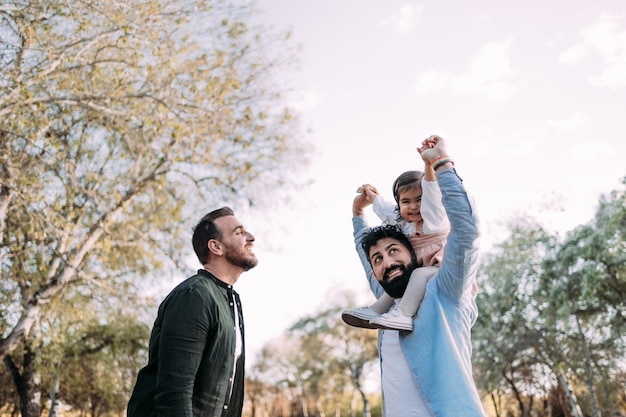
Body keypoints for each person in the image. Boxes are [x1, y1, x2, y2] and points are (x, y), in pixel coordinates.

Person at [352, 135, 487, 416]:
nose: (387, 262)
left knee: (421, 274)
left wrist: (440, 165)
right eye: (378, 259)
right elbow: (370, 239)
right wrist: (358, 212)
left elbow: (466, 229)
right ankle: (372, 311)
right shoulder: (388, 296)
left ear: (410, 251)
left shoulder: (447, 287)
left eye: (393, 251)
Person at [127, 207, 257, 417]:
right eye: (239, 233)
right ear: (216, 247)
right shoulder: (194, 296)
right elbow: (174, 393)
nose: (251, 238)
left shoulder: (231, 300)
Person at [342, 159, 450, 331]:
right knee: (402, 282)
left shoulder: (434, 218)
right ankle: (376, 310)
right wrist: (372, 197)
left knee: (418, 274)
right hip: (417, 270)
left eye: (419, 200)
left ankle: (404, 314)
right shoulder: (404, 222)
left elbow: (432, 189)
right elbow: (385, 210)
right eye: (406, 202)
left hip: (440, 267)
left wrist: (429, 166)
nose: (414, 207)